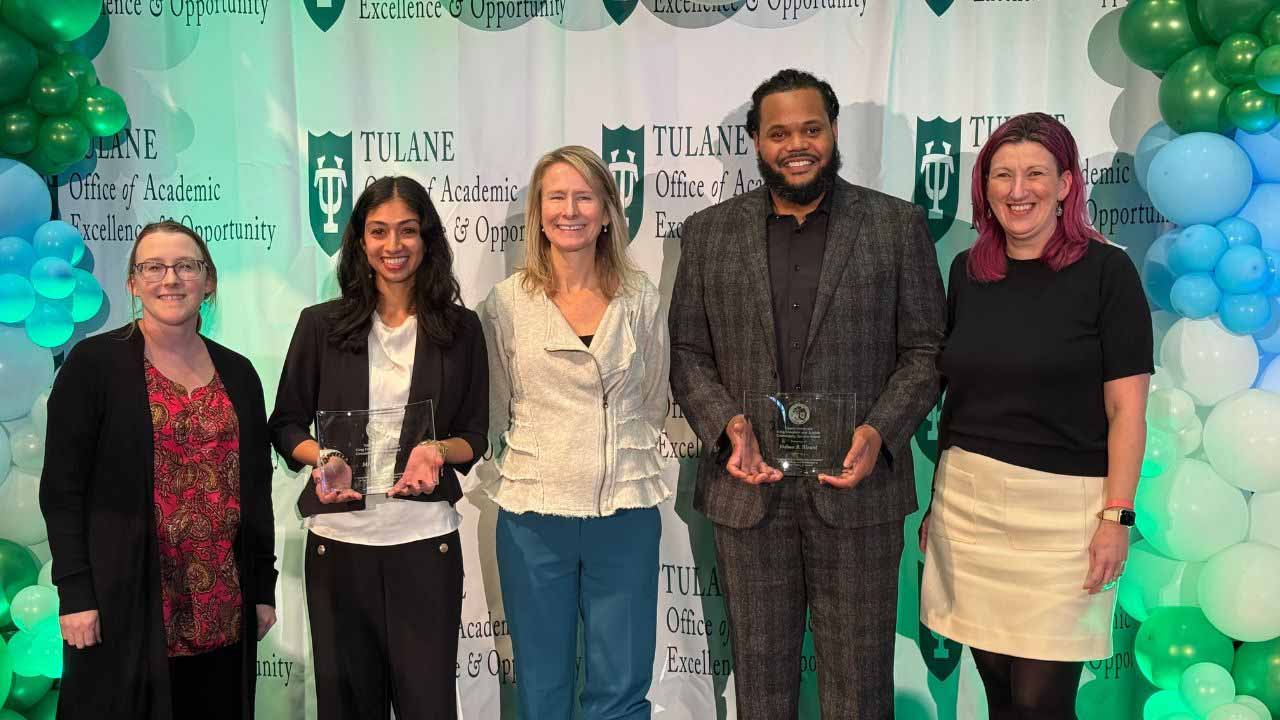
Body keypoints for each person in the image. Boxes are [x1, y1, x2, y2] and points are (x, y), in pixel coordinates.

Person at [668, 69, 946, 718]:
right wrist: (727, 425)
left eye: (811, 129)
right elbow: (687, 354)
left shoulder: (895, 226)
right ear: (756, 143)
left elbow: (926, 351)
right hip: (750, 492)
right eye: (780, 132)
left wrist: (878, 433)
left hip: (858, 492)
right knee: (761, 692)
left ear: (834, 131)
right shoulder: (709, 234)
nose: (798, 144)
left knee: (859, 686)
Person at [919, 112, 1152, 720]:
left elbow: (1126, 410)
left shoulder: (1108, 273)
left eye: (1035, 174)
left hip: (1065, 520)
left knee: (1041, 707)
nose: (1017, 190)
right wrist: (936, 508)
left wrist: (1117, 518)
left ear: (1067, 184)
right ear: (985, 186)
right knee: (1002, 702)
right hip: (966, 506)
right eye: (1002, 174)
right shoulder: (967, 273)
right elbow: (957, 399)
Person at [269, 176, 488, 720]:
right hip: (338, 544)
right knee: (346, 707)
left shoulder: (460, 329)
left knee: (427, 705)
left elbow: (476, 436)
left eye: (408, 231)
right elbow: (286, 425)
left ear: (428, 238)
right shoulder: (320, 326)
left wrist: (436, 450)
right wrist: (322, 457)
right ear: (360, 242)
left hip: (425, 543)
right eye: (379, 231)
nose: (394, 245)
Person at [40, 220, 278, 720]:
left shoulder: (238, 372)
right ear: (132, 282)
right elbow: (63, 491)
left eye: (185, 266)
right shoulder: (93, 365)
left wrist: (262, 589)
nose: (170, 279)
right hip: (124, 602)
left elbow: (256, 489)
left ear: (208, 280)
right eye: (153, 267)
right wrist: (75, 593)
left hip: (221, 603)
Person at [481, 145, 669, 720]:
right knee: (542, 687)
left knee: (622, 688)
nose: (571, 210)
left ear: (608, 211)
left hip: (626, 513)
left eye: (585, 196)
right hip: (534, 519)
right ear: (538, 213)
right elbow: (497, 410)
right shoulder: (508, 303)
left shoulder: (641, 297)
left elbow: (654, 400)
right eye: (556, 197)